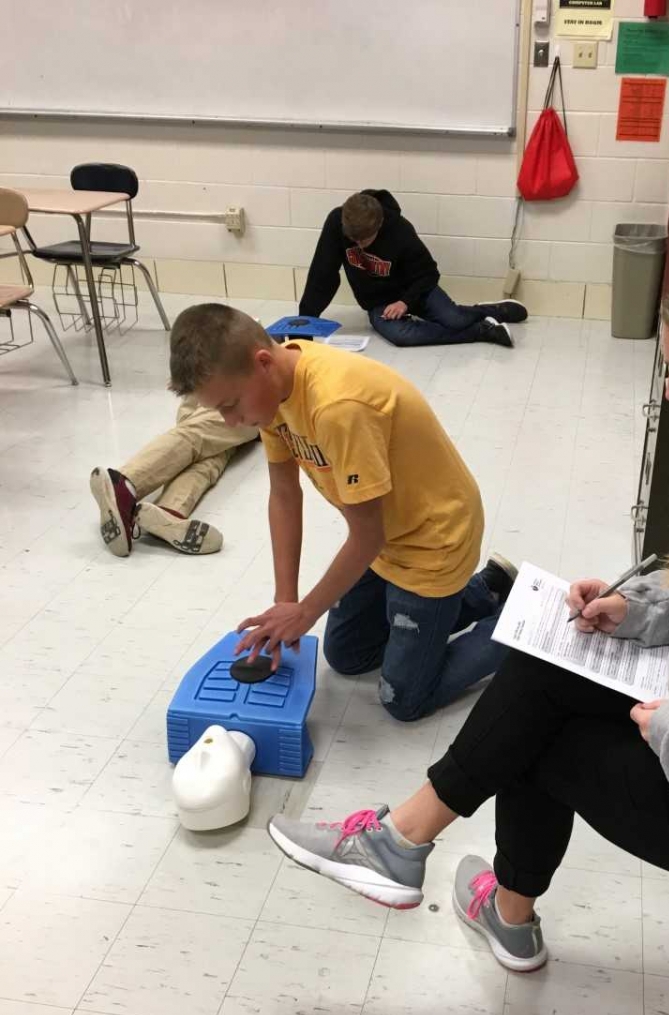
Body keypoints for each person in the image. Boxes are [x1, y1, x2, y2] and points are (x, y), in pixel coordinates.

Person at [266, 245, 669, 973]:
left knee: (533, 742)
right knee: (546, 667)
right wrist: (638, 611)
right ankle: (407, 846)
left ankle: (454, 880)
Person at [168, 302, 516, 721]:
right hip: (387, 538)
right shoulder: (272, 393)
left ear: (262, 363)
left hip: (433, 540)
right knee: (347, 655)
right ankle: (489, 587)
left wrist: (306, 611)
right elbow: (283, 494)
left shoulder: (336, 406)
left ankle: (525, 627)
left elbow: (367, 535)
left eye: (229, 405)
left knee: (402, 699)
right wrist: (286, 602)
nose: (228, 422)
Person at [298, 189, 528, 350]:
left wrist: (405, 302)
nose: (357, 245)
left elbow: (429, 273)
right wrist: (304, 325)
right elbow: (322, 274)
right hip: (380, 303)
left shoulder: (400, 230)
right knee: (402, 336)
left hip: (416, 290)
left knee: (454, 319)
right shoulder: (336, 222)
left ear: (379, 225)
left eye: (364, 240)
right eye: (352, 239)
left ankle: (489, 311)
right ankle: (481, 331)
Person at [89, 397, 258, 556]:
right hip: (239, 381)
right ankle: (125, 484)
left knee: (211, 452)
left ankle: (168, 511)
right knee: (206, 429)